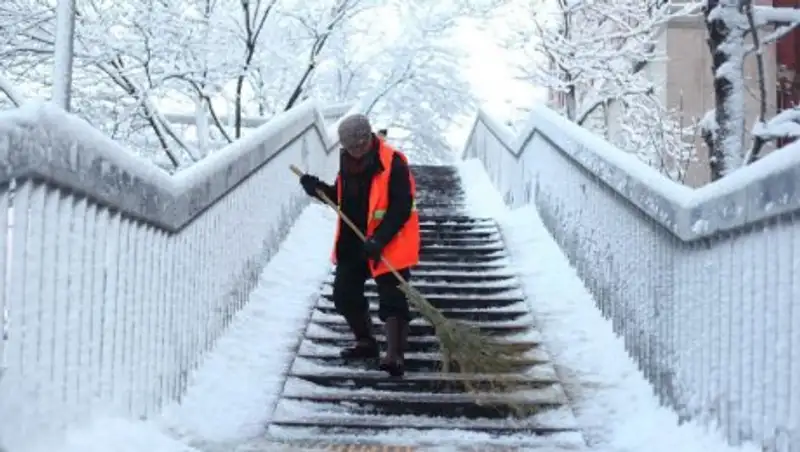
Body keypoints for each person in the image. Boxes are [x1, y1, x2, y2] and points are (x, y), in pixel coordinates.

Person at [298, 114, 420, 377]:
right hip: (353, 240)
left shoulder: (392, 162)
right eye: (349, 147)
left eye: (359, 145)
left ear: (368, 138)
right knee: (344, 294)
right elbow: (342, 198)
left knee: (393, 298)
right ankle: (366, 342)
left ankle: (395, 355)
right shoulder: (347, 162)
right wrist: (318, 189)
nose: (355, 151)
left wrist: (380, 239)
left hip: (388, 241)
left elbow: (401, 207)